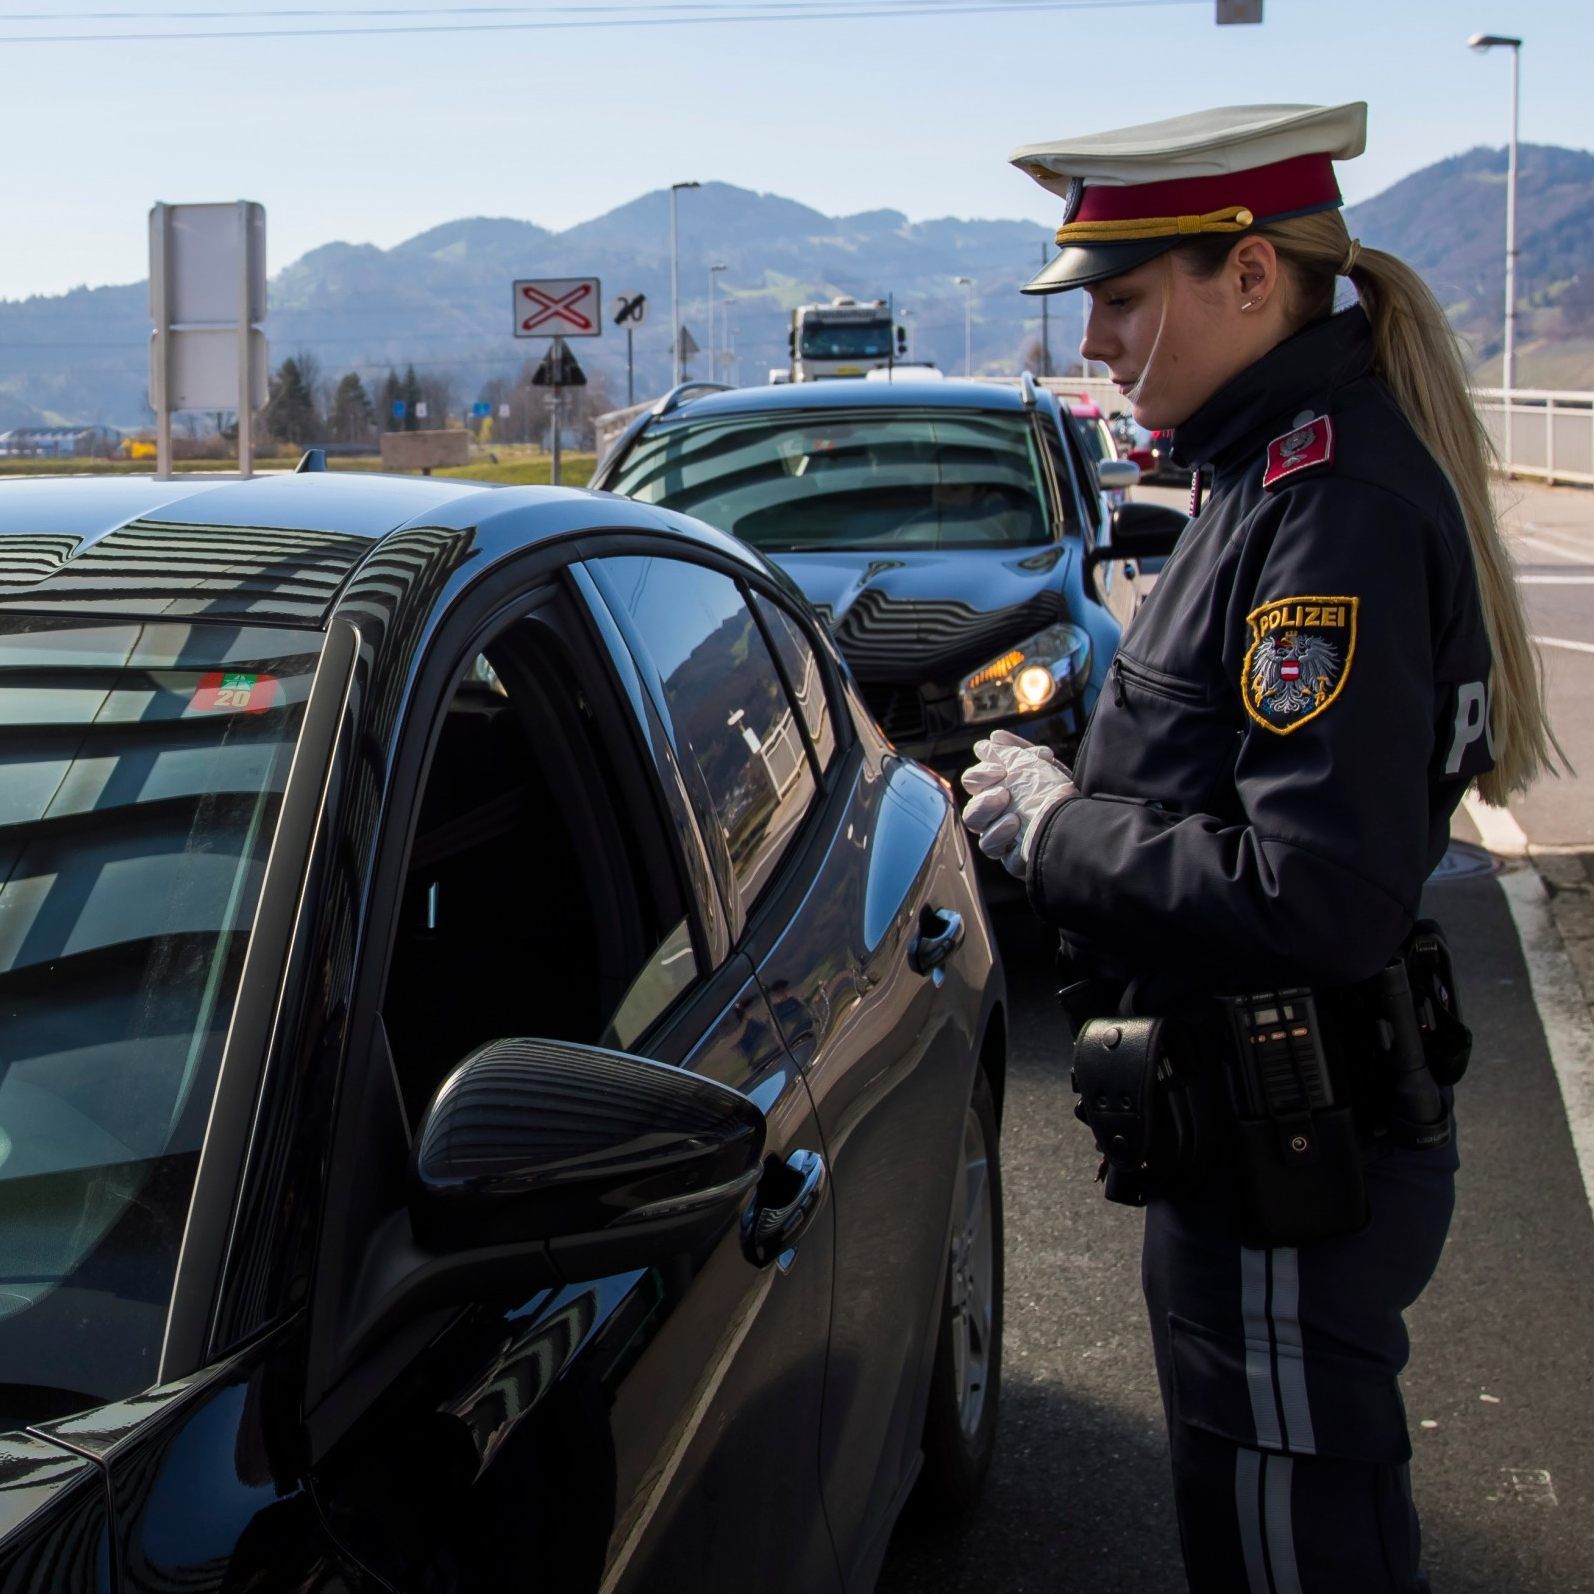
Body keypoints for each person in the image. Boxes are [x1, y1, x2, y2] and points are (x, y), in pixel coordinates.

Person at [961, 103, 1559, 1592]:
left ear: (1245, 274)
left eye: (1119, 294)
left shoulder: (1325, 500)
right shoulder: (1268, 469)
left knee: (1296, 1555)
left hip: (1290, 1126)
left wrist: (1055, 825)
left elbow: (1316, 892)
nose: (1092, 338)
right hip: (1248, 1123)